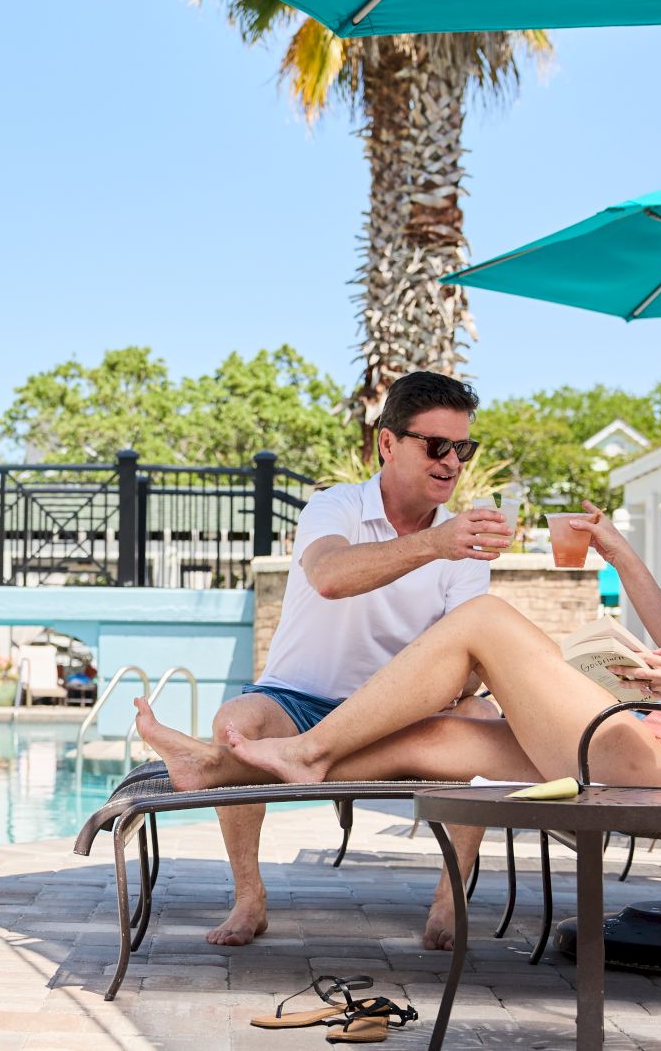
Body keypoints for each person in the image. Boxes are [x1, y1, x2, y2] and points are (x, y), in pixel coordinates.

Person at [137, 368, 661, 943]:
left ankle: (303, 754)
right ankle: (220, 766)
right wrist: (622, 557)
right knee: (424, 742)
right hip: (655, 734)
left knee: (484, 619)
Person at [183, 371, 512, 949]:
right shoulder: (334, 507)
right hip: (301, 701)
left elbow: (467, 651)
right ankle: (249, 899)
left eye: (463, 448)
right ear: (387, 443)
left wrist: (466, 682)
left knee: (483, 723)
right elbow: (331, 578)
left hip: (399, 718)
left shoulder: (463, 543)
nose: (452, 462)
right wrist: (435, 544)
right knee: (237, 722)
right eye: (436, 445)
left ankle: (449, 902)